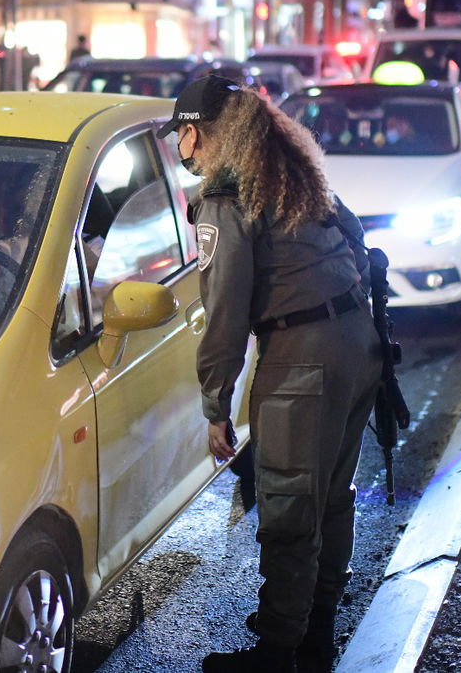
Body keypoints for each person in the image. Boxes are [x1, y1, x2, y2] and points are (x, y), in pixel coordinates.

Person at [159, 74, 382, 673]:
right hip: (356, 342)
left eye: (181, 135)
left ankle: (278, 653)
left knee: (288, 508)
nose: (180, 148)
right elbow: (356, 240)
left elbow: (225, 313)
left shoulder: (226, 198)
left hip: (302, 359)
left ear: (196, 133)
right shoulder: (291, 175)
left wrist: (216, 405)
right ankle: (315, 634)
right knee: (330, 499)